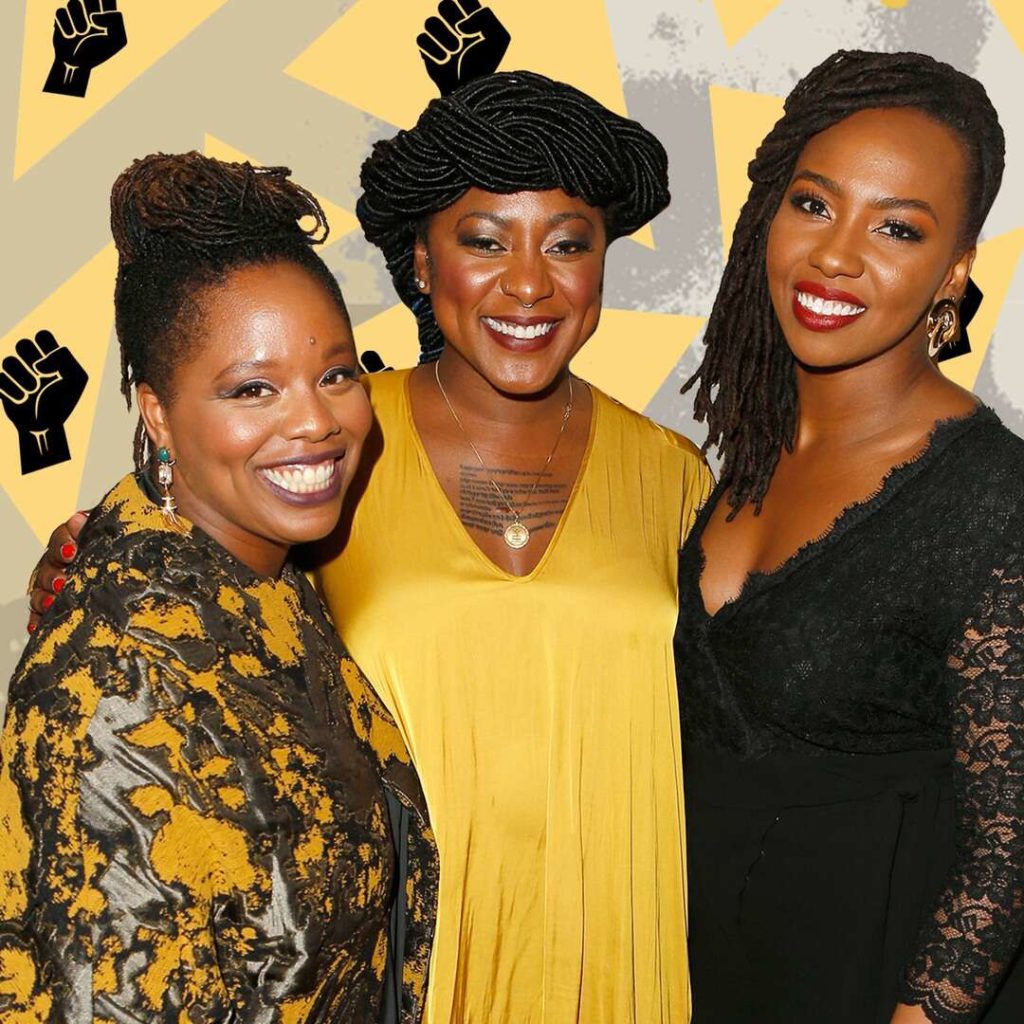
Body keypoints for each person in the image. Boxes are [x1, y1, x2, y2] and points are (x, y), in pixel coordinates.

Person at [28, 72, 711, 1022]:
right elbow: (182, 562)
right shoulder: (331, 454)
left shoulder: (673, 476)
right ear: (421, 264)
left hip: (620, 964)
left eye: (567, 244)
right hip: (396, 976)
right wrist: (74, 565)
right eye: (485, 241)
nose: (529, 282)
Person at [0, 152, 437, 1023]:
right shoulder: (120, 684)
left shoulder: (266, 574)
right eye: (253, 389)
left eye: (336, 374)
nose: (315, 421)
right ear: (158, 412)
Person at [676, 49, 1023, 1023]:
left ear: (954, 271)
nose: (835, 255)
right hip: (708, 977)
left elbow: (1007, 851)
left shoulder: (993, 497)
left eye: (896, 227)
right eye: (814, 204)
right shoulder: (746, 448)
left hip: (878, 984)